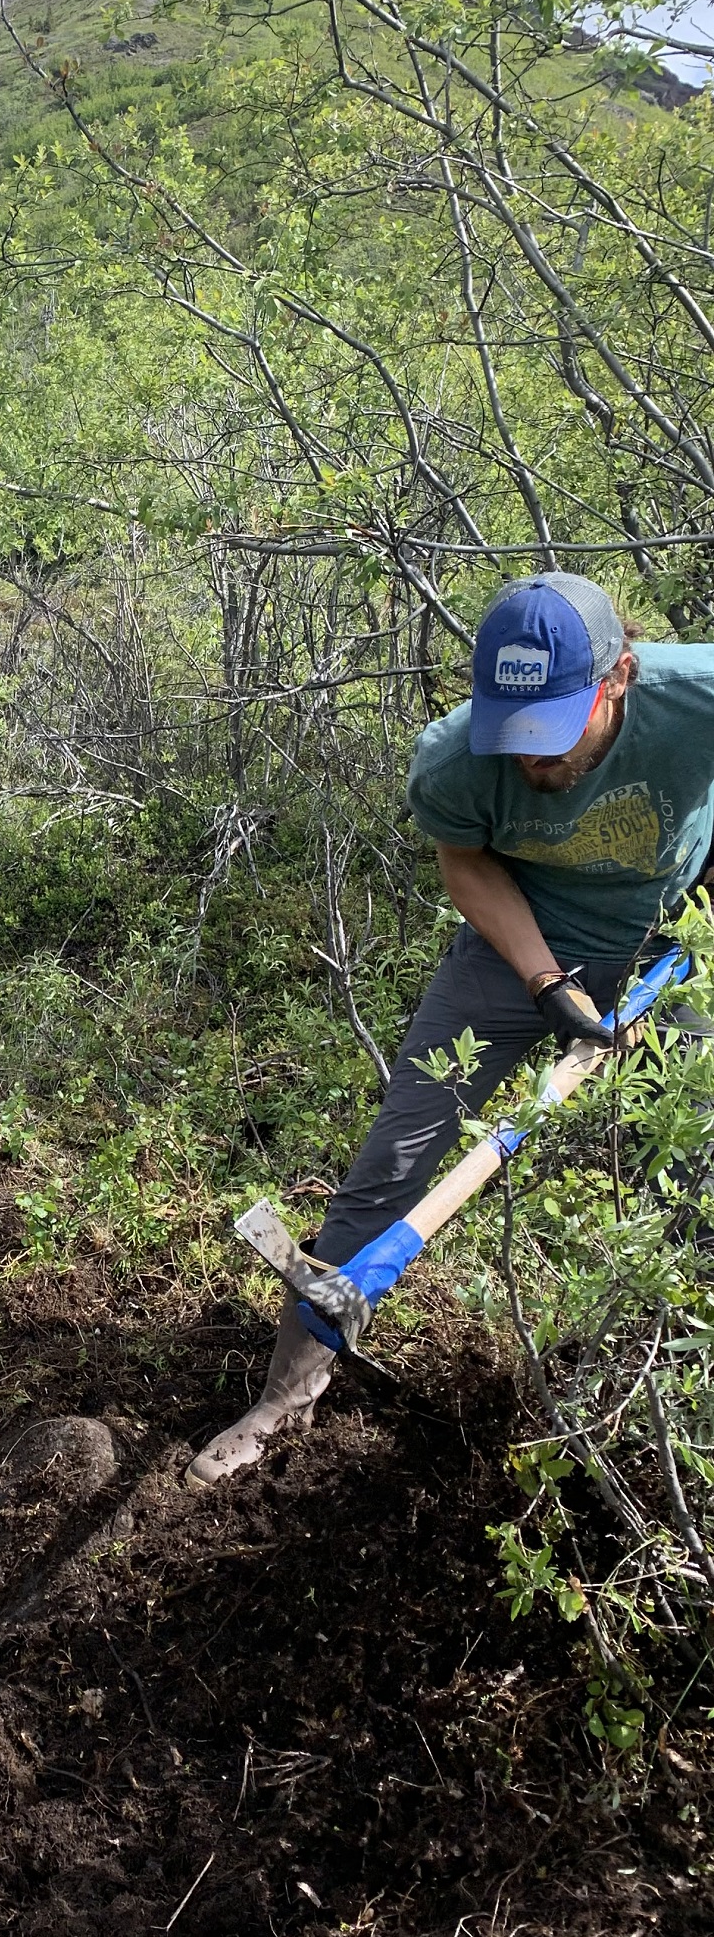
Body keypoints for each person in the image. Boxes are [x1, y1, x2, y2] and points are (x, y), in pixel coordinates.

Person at [190, 571, 714, 1488]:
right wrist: (545, 979)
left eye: (553, 737)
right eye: (512, 738)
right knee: (394, 1157)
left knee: (690, 1172)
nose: (531, 766)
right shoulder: (453, 758)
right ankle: (285, 1393)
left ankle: (642, 1404)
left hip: (676, 937)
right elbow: (465, 862)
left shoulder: (695, 695)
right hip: (526, 936)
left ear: (620, 677)